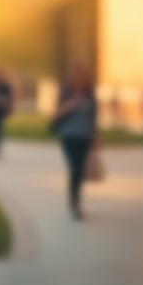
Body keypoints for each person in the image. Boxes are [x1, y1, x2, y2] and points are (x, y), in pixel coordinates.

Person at [52, 63, 98, 221]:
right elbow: (57, 113)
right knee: (75, 169)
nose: (79, 78)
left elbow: (93, 117)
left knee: (79, 170)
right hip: (68, 136)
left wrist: (94, 137)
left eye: (81, 75)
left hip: (84, 136)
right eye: (76, 75)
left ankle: (77, 201)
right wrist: (72, 103)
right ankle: (74, 203)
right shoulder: (66, 92)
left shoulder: (90, 94)